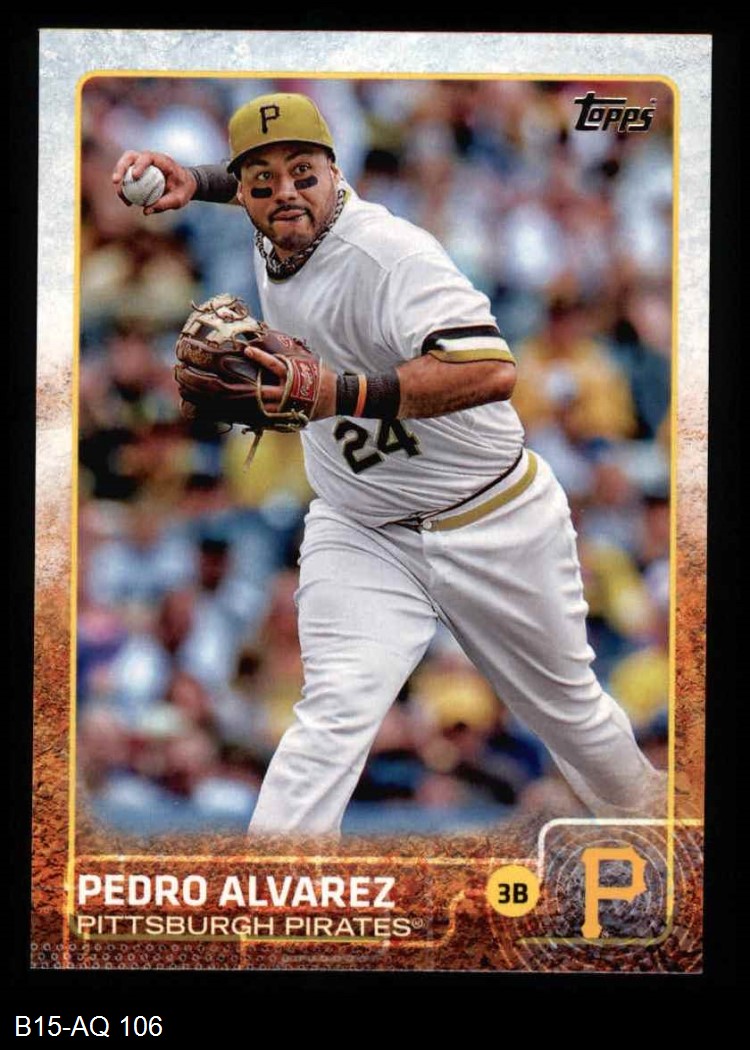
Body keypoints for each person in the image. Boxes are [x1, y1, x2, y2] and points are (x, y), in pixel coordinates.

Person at [112, 91, 666, 834]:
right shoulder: (272, 219)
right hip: (362, 527)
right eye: (262, 181)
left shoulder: (390, 255)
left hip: (488, 514)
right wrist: (197, 179)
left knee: (574, 721)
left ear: (337, 174)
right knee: (331, 716)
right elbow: (261, 186)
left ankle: (670, 839)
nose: (286, 193)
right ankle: (275, 893)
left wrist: (340, 392)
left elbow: (491, 368)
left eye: (304, 174)